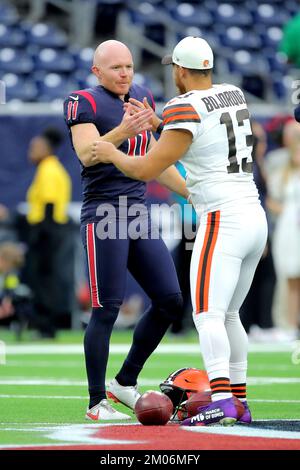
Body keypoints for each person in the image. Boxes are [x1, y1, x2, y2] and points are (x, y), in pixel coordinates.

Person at [92, 36, 268, 426]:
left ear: (182, 70)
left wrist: (110, 152)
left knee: (208, 315)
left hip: (223, 219)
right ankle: (238, 401)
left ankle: (222, 399)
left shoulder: (184, 105)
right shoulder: (232, 93)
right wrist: (159, 123)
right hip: (253, 215)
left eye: (174, 68)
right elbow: (202, 136)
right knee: (231, 314)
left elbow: (144, 169)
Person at [63, 40, 188, 421]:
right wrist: (122, 130)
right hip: (103, 213)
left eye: (130, 67)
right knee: (107, 309)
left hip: (137, 211)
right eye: (116, 67)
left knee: (170, 300)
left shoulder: (143, 96)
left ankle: (125, 381)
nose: (125, 74)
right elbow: (87, 154)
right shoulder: (81, 100)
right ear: (97, 70)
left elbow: (155, 160)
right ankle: (96, 401)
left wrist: (193, 193)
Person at [25, 127, 72, 338]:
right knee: (45, 277)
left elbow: (50, 204)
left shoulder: (49, 169)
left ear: (47, 149)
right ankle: (45, 323)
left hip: (47, 228)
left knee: (45, 278)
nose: (31, 152)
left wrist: (42, 234)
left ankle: (47, 325)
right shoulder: (48, 168)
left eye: (35, 147)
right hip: (48, 228)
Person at [267, 133, 300, 340]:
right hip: (288, 229)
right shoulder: (284, 174)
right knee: (288, 278)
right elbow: (271, 200)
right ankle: (289, 324)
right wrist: (286, 211)